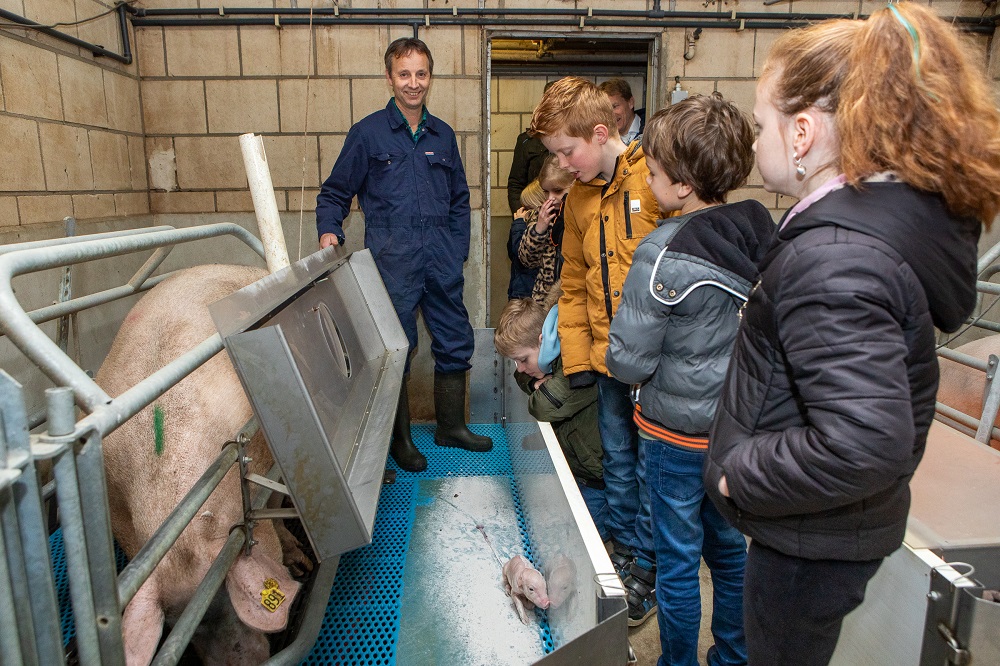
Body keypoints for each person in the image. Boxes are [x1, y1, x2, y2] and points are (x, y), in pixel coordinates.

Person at [702, 6, 1000, 665]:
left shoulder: (835, 257)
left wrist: (737, 475)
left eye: (761, 125)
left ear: (803, 133)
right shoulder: (860, 236)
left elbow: (863, 441)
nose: (754, 145)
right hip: (826, 530)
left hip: (809, 544)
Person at [606, 93, 774, 666]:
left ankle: (674, 662)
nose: (646, 180)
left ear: (681, 186)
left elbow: (627, 362)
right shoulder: (761, 235)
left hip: (673, 440)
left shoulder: (660, 252)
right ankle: (731, 657)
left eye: (651, 172)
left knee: (678, 563)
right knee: (730, 554)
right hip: (734, 436)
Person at [315, 37, 492, 473]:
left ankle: (451, 427)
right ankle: (401, 441)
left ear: (430, 77)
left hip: (440, 257)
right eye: (404, 74)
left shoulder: (444, 135)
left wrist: (457, 250)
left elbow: (458, 198)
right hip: (393, 259)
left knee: (453, 336)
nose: (414, 83)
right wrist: (328, 230)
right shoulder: (369, 133)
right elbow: (336, 191)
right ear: (390, 78)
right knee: (399, 347)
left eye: (421, 73)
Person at [530, 76, 660, 626]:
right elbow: (577, 283)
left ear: (600, 132)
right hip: (606, 363)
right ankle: (627, 552)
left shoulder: (653, 178)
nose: (563, 163)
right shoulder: (580, 196)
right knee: (619, 464)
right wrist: (580, 363)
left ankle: (651, 567)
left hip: (654, 367)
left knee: (654, 467)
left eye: (567, 151)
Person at [495, 291, 609, 541]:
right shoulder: (548, 359)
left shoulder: (575, 361)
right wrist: (536, 383)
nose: (521, 369)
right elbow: (521, 377)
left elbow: (543, 406)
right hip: (578, 468)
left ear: (542, 340)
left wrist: (538, 389)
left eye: (523, 359)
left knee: (578, 541)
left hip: (598, 480)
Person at [518, 155, 575, 304]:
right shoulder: (540, 215)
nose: (550, 198)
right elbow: (526, 260)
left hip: (573, 295)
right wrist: (539, 229)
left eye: (557, 191)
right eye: (546, 192)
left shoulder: (581, 214)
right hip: (543, 299)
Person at [506, 130, 549, 299]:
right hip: (523, 291)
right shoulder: (527, 141)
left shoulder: (541, 224)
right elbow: (517, 253)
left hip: (529, 292)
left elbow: (518, 252)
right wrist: (519, 222)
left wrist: (519, 225)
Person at [599, 79, 646, 145]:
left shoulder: (651, 134)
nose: (610, 114)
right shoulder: (601, 141)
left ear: (631, 103)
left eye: (615, 106)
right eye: (605, 110)